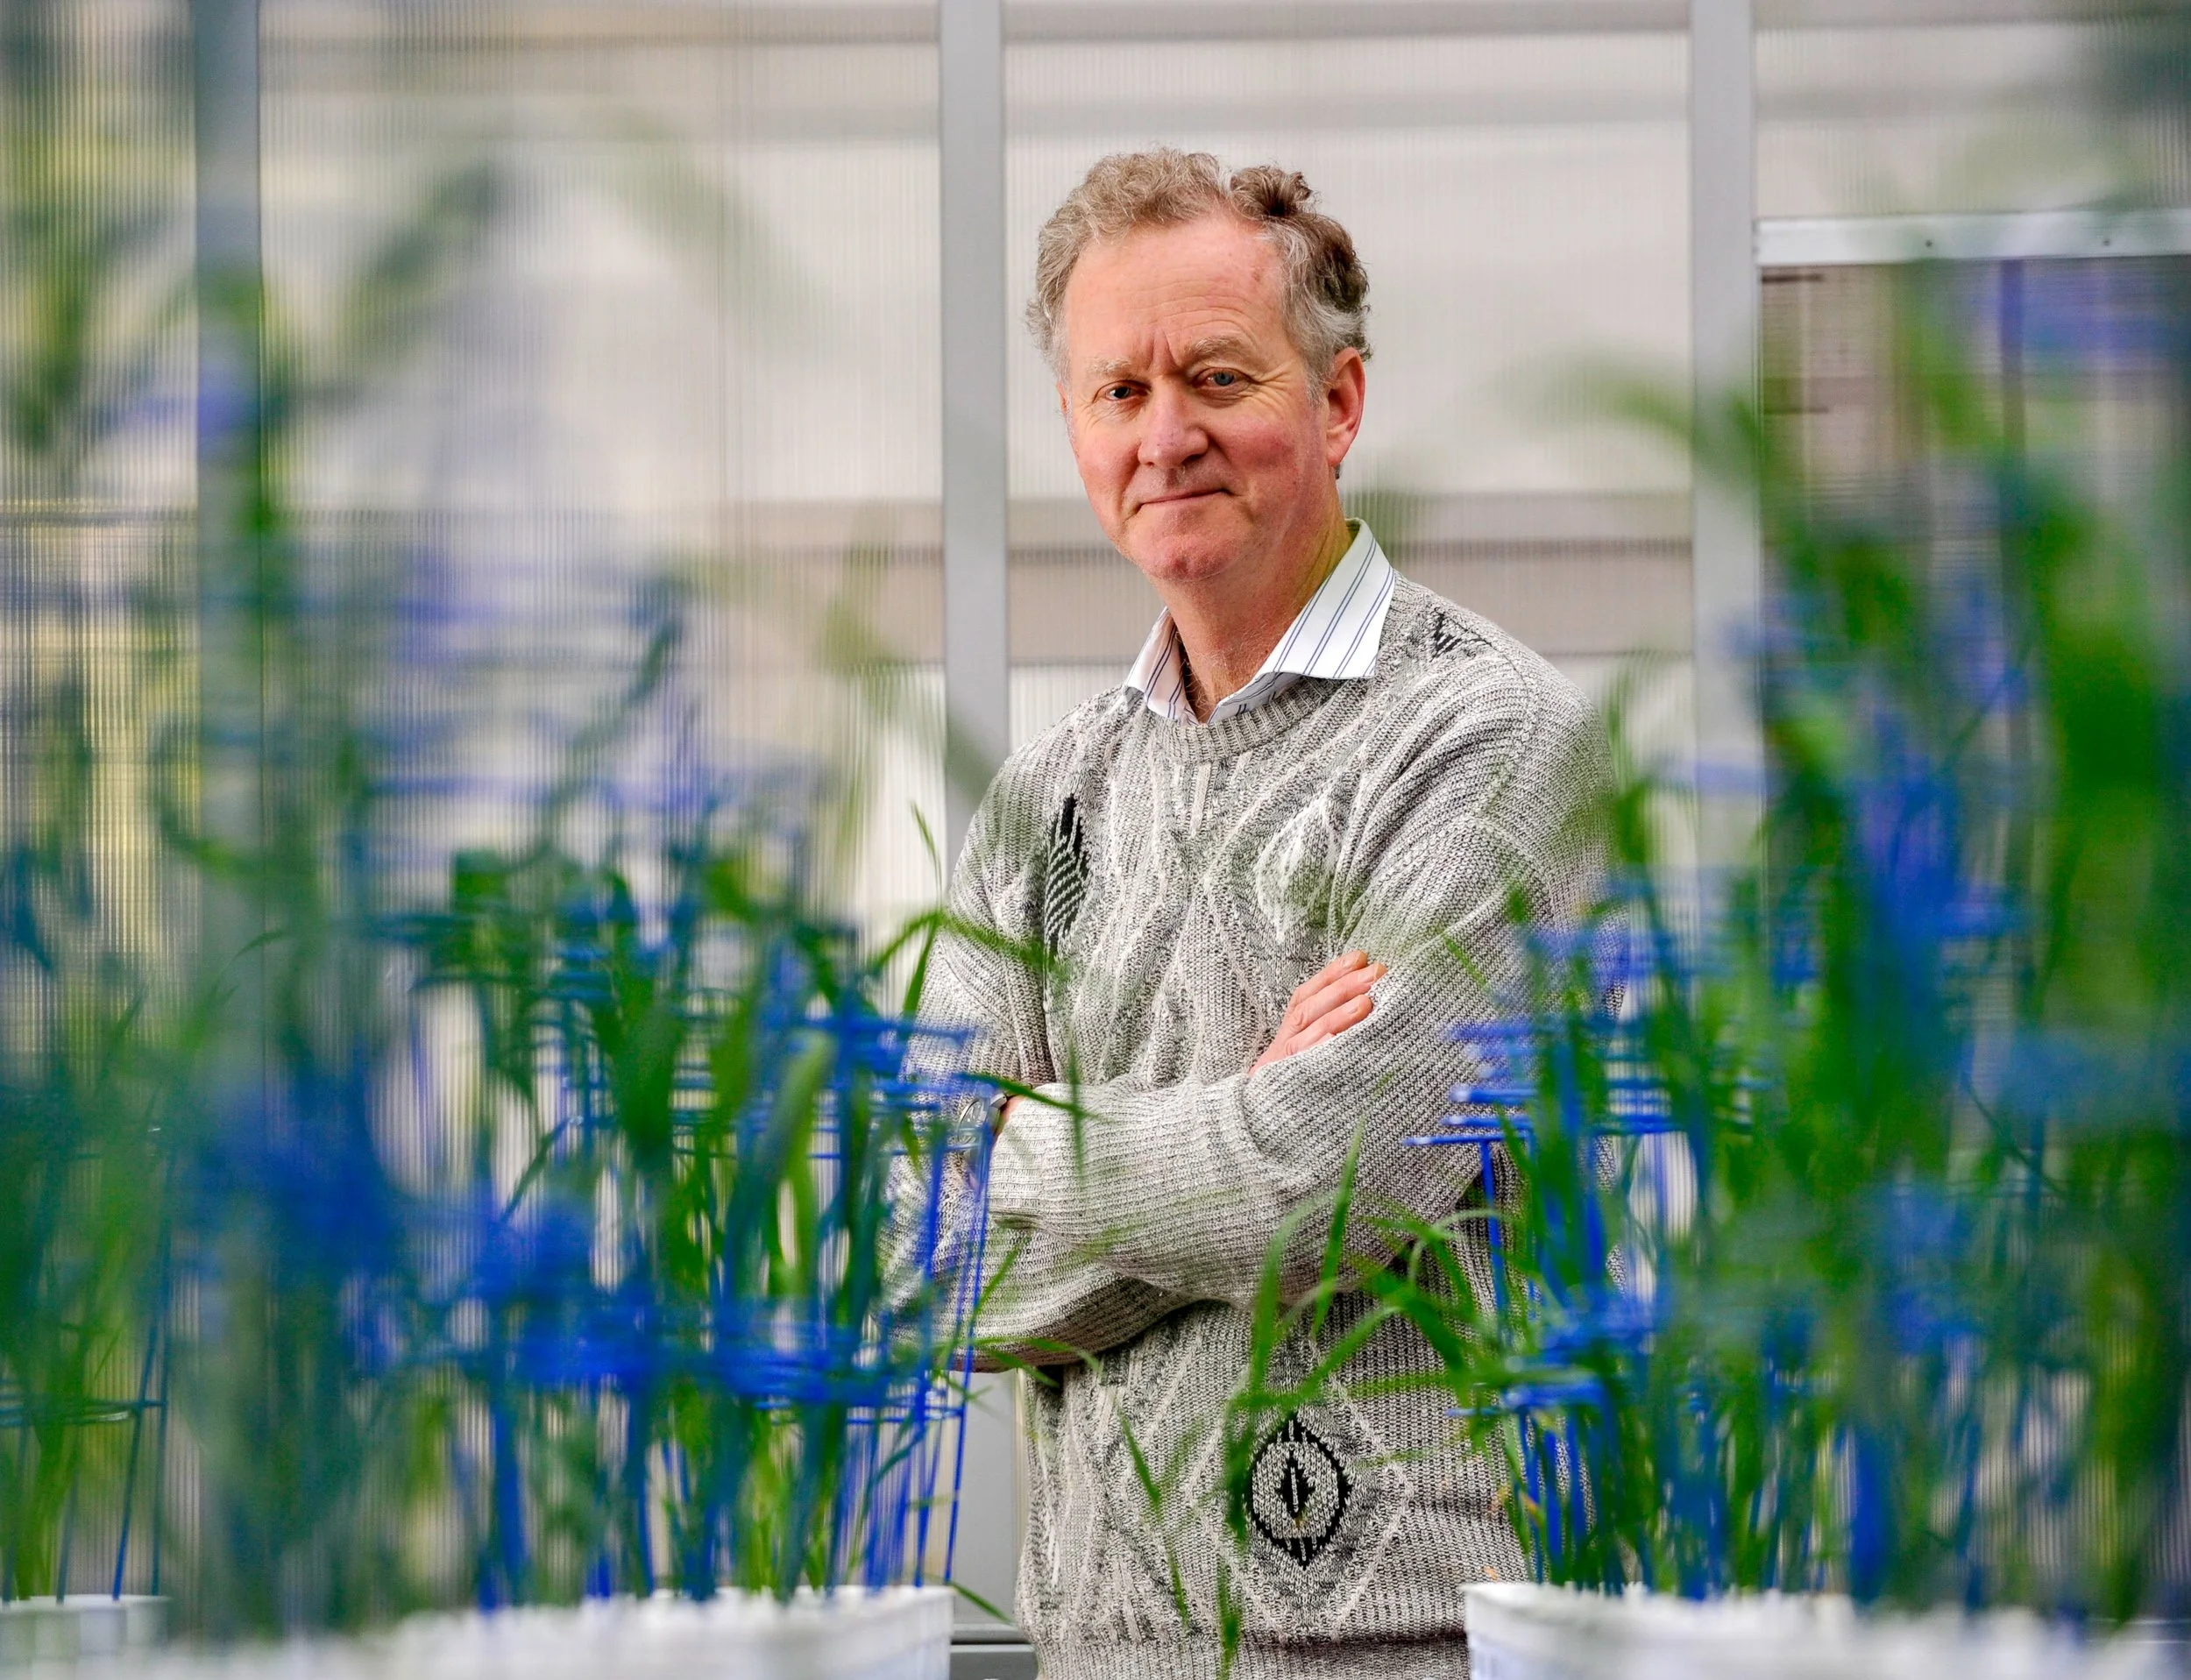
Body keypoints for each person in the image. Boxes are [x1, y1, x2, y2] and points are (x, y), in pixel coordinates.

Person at [925, 148, 1607, 1680]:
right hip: (1095, 1651)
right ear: (1077, 430)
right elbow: (920, 1238)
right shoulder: (1045, 801)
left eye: (1218, 377)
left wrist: (1034, 1145)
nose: (1165, 433)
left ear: (1339, 402)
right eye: (1119, 391)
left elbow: (1335, 1182)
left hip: (1399, 1653)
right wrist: (1242, 1113)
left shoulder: (1492, 740)